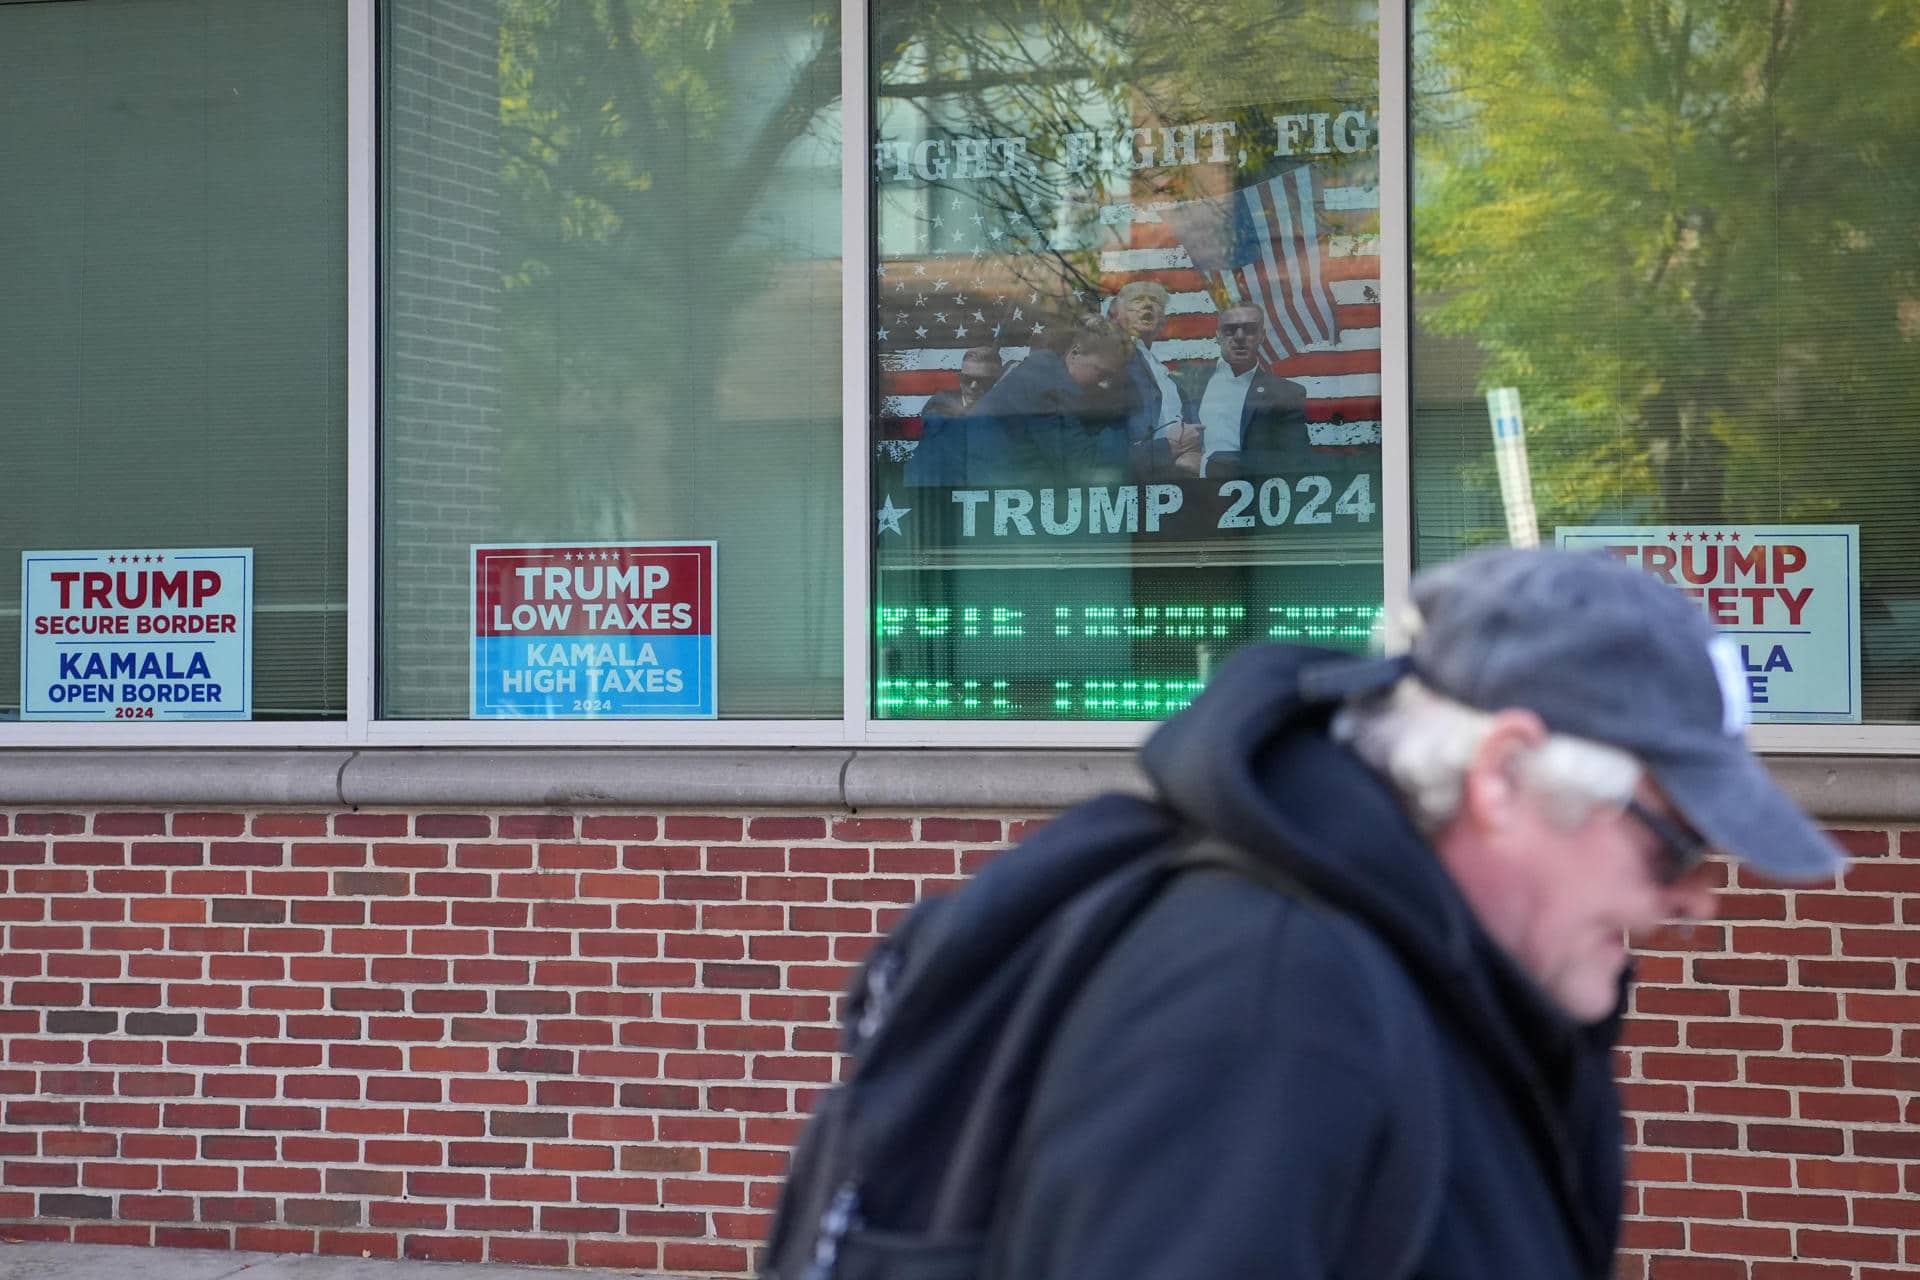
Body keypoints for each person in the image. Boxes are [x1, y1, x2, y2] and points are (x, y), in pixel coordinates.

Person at [983, 547, 1848, 1279]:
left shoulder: (1464, 991)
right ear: (1502, 777)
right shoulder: (1271, 1010)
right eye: (1674, 842)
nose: (1698, 898)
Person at [908, 316, 1131, 486]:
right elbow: (1083, 468)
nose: (1106, 385)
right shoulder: (1048, 389)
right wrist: (1152, 448)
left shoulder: (1044, 373)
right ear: (1075, 353)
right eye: (1102, 374)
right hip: (954, 494)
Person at [1176, 303, 1313, 477]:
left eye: (1249, 329)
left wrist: (1207, 467)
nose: (1239, 337)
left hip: (1253, 496)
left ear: (1261, 335)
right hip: (1188, 494)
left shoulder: (1286, 394)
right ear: (1217, 335)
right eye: (1229, 330)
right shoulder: (1185, 381)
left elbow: (1294, 460)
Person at [1111, 280, 1202, 477]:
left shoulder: (1165, 374)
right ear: (1119, 315)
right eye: (1137, 300)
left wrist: (1193, 453)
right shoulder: (1115, 355)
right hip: (1133, 476)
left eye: (1154, 301)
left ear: (1162, 320)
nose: (1147, 305)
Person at [922, 346, 1004, 419]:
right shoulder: (938, 406)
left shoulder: (1006, 409)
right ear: (960, 377)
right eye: (967, 378)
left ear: (996, 380)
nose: (973, 386)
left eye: (982, 380)